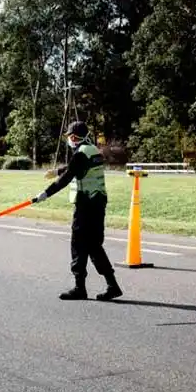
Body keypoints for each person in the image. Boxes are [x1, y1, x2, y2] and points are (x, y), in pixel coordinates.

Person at [32, 121, 123, 301]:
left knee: (78, 245)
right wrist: (56, 171)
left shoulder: (80, 154)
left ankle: (79, 288)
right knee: (94, 246)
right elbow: (75, 167)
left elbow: (67, 177)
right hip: (98, 203)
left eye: (69, 137)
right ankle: (112, 286)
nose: (69, 140)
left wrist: (45, 194)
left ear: (74, 137)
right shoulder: (93, 150)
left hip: (85, 206)